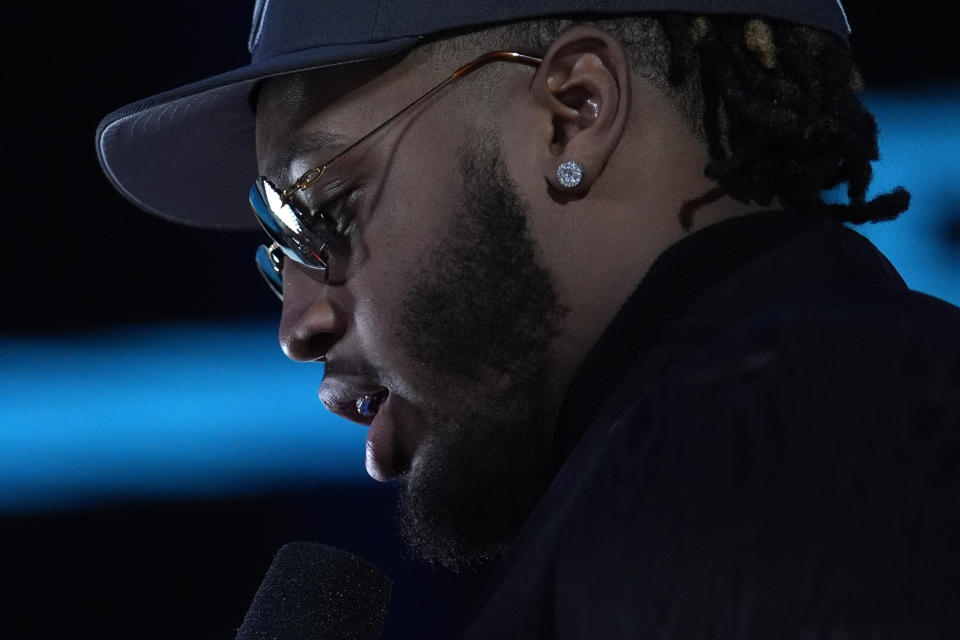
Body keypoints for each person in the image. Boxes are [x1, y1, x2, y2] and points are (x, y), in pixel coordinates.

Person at [97, 1, 960, 636]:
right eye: (280, 250)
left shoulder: (797, 428)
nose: (297, 324)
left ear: (573, 113)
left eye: (323, 212)